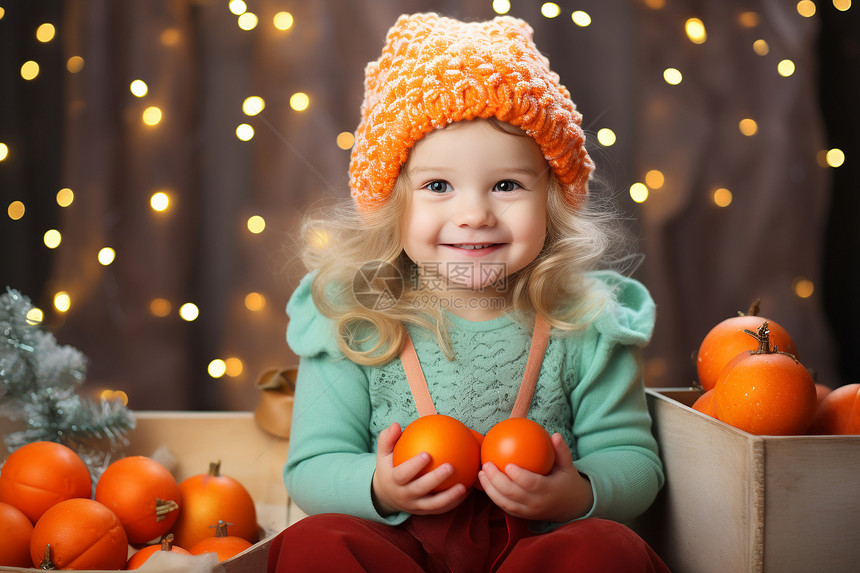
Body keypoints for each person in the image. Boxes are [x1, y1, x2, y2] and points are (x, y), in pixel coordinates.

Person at [267, 12, 670, 573]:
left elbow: (634, 462)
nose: (475, 214)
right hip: (400, 551)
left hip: (535, 551)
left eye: (507, 185)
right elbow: (312, 465)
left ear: (552, 198)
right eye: (437, 186)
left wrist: (577, 493)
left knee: (608, 549)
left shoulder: (585, 319)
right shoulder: (356, 316)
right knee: (316, 542)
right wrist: (380, 487)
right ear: (390, 201)